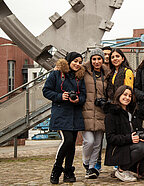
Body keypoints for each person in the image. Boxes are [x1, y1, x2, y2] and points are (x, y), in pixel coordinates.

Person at [43, 52, 86, 184]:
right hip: (62, 114)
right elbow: (46, 90)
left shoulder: (80, 77)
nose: (77, 64)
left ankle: (68, 171)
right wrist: (60, 96)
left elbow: (84, 96)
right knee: (67, 141)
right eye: (75, 61)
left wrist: (78, 99)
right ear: (68, 61)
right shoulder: (56, 74)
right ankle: (56, 169)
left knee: (72, 144)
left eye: (80, 62)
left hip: (75, 114)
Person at [104, 85, 144, 182]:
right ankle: (121, 170)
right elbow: (110, 138)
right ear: (118, 95)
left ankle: (127, 168)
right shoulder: (111, 114)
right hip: (118, 149)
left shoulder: (133, 112)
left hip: (131, 147)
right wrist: (129, 138)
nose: (127, 98)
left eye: (130, 96)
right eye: (125, 95)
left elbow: (138, 129)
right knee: (141, 148)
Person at [82, 48, 110, 179]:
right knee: (89, 141)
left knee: (98, 143)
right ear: (90, 60)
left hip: (100, 112)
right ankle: (86, 161)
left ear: (102, 60)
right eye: (94, 59)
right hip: (86, 112)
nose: (97, 61)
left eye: (99, 58)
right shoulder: (83, 72)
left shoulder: (107, 74)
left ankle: (92, 168)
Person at [94, 46, 112, 171]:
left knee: (112, 137)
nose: (106, 57)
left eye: (108, 54)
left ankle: (115, 162)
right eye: (104, 54)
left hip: (111, 107)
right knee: (97, 139)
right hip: (99, 108)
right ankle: (97, 162)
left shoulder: (113, 71)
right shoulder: (96, 71)